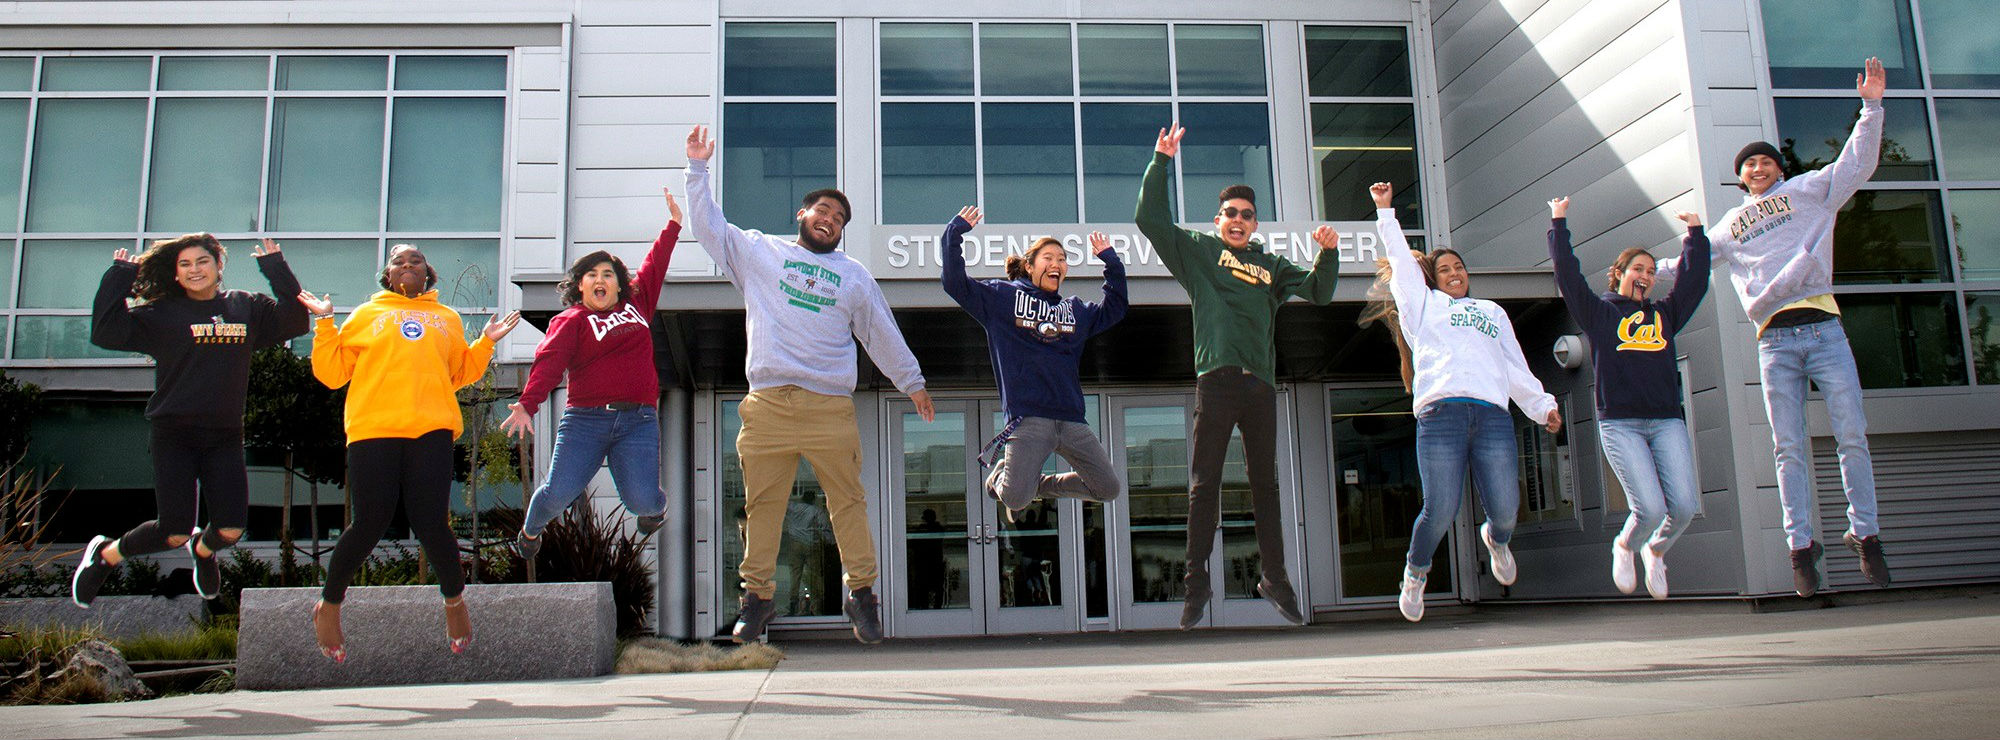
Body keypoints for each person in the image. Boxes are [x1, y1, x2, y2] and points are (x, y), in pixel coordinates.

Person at [684, 125, 933, 645]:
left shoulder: (853, 276)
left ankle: (861, 594)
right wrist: (698, 170)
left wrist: (912, 381)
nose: (830, 220)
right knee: (763, 507)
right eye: (822, 211)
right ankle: (757, 600)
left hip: (828, 406)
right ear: (802, 214)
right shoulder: (761, 254)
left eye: (839, 218)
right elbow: (709, 228)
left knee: (848, 501)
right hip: (768, 404)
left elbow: (881, 332)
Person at [1654, 58, 1893, 598]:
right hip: (1774, 340)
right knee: (1788, 447)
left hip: (1824, 329)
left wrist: (1871, 108)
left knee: (1851, 434)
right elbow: (1690, 263)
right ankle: (1801, 545)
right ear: (1739, 178)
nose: (1757, 168)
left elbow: (1855, 164)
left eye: (1765, 161)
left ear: (1779, 170)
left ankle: (1865, 534)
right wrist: (1638, 276)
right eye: (1748, 164)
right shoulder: (1732, 225)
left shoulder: (1810, 192)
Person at [1137, 124, 1342, 629]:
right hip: (1217, 380)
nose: (1239, 221)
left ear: (1255, 224)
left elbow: (1319, 292)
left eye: (1247, 216)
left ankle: (1274, 576)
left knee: (1263, 485)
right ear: (1219, 220)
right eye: (1231, 214)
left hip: (1259, 386)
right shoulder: (1201, 253)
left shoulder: (1271, 266)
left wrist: (1329, 252)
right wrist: (1161, 161)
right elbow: (1150, 219)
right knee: (1204, 483)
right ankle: (1196, 582)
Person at [301, 244, 521, 662]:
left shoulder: (447, 318)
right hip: (373, 431)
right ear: (387, 275)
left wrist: (485, 344)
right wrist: (325, 322)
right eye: (397, 261)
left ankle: (454, 603)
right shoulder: (366, 315)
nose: (406, 264)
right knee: (368, 524)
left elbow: (458, 374)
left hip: (431, 431)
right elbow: (331, 374)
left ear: (428, 272)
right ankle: (328, 606)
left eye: (414, 260)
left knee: (433, 525)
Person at [72, 235, 309, 608]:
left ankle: (203, 550)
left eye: (202, 261)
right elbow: (105, 331)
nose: (195, 270)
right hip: (174, 433)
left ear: (218, 267)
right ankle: (105, 555)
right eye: (185, 265)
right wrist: (120, 276)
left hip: (225, 435)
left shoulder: (245, 307)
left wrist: (276, 267)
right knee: (172, 532)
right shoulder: (162, 314)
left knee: (230, 530)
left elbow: (296, 320)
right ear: (176, 274)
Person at [1365, 182, 1562, 623]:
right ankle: (1415, 574)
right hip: (1442, 416)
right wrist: (1385, 212)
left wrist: (1542, 406)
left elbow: (1514, 368)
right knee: (1440, 508)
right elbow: (1400, 260)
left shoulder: (1492, 312)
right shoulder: (1423, 307)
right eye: (1445, 269)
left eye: (1460, 267)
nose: (1455, 273)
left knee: (1507, 508)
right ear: (1433, 279)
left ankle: (1496, 537)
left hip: (1492, 416)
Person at [503, 187, 682, 560]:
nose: (600, 280)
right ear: (581, 285)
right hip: (585, 422)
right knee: (558, 493)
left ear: (619, 283)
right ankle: (531, 531)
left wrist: (673, 226)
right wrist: (526, 404)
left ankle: (653, 510)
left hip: (638, 421)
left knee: (644, 501)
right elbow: (549, 361)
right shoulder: (571, 321)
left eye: (608, 274)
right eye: (591, 275)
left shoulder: (638, 304)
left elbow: (655, 265)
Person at [1548, 197, 1710, 599]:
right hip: (1621, 423)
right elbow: (1568, 276)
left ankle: (1655, 551)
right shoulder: (1600, 315)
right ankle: (1625, 545)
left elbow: (1694, 282)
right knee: (1650, 509)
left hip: (1667, 420)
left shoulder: (1664, 317)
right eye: (1638, 269)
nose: (1646, 276)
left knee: (1685, 507)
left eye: (1651, 272)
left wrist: (1695, 235)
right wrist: (1559, 223)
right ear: (1618, 274)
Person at [938, 206, 1127, 520]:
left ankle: (1037, 484)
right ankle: (1005, 477)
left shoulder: (1076, 310)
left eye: (1062, 260)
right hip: (1029, 419)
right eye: (1049, 258)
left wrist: (1111, 260)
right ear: (1029, 265)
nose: (1057, 264)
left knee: (1107, 488)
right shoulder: (1002, 298)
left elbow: (1116, 307)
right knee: (1014, 498)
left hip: (1071, 420)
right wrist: (954, 233)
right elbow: (954, 282)